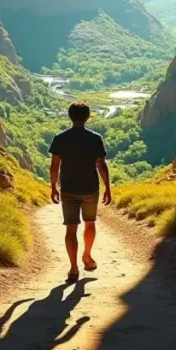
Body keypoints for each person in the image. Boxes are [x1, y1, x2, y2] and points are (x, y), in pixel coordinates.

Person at [48, 101, 112, 282]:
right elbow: (101, 164)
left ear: (70, 116)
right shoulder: (95, 138)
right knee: (90, 223)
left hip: (68, 188)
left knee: (70, 229)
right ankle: (87, 256)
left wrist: (53, 187)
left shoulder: (60, 137)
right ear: (87, 117)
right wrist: (108, 188)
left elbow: (54, 167)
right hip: (90, 188)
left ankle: (73, 268)